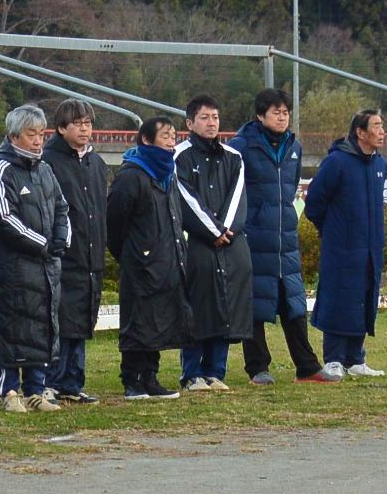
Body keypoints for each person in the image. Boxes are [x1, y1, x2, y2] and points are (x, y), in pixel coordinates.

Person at [232, 88, 321, 384]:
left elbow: (291, 187)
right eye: (276, 112)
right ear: (260, 115)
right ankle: (257, 367)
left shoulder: (294, 147)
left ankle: (307, 366)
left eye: (285, 113)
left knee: (293, 303)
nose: (282, 118)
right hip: (255, 237)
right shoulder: (241, 147)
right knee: (255, 303)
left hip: (285, 238)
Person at [0, 103, 71, 413]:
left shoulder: (46, 170)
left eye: (41, 134)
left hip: (47, 268)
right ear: (13, 137)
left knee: (43, 325)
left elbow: (61, 207)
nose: (38, 140)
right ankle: (9, 390)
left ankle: (37, 389)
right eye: (30, 134)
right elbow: (5, 218)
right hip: (13, 269)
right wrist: (43, 244)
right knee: (12, 327)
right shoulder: (1, 170)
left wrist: (62, 240)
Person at [304, 109, 387, 381]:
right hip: (340, 247)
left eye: (382, 125)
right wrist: (331, 231)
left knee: (363, 298)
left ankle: (356, 358)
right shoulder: (337, 162)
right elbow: (314, 204)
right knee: (338, 299)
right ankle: (334, 359)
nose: (382, 131)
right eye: (376, 126)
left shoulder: (380, 164)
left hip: (370, 248)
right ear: (360, 132)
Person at [106, 117, 187, 399]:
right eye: (165, 136)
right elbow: (115, 223)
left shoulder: (169, 174)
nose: (171, 141)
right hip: (140, 263)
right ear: (146, 140)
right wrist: (133, 254)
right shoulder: (131, 176)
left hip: (167, 262)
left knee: (159, 321)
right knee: (137, 321)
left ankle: (151, 376)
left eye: (173, 136)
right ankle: (132, 379)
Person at [175, 95, 252, 393]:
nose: (211, 123)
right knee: (198, 308)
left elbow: (238, 196)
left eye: (215, 117)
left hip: (230, 243)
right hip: (198, 243)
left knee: (228, 305)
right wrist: (212, 231)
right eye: (205, 117)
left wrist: (227, 230)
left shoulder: (234, 157)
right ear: (190, 122)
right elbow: (185, 197)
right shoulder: (179, 156)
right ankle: (192, 373)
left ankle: (215, 371)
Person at [41, 98, 109, 403]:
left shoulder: (97, 164)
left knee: (82, 320)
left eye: (88, 123)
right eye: (78, 123)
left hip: (91, 255)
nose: (85, 129)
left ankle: (73, 381)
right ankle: (51, 380)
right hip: (62, 254)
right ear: (61, 127)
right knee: (60, 320)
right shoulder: (49, 161)